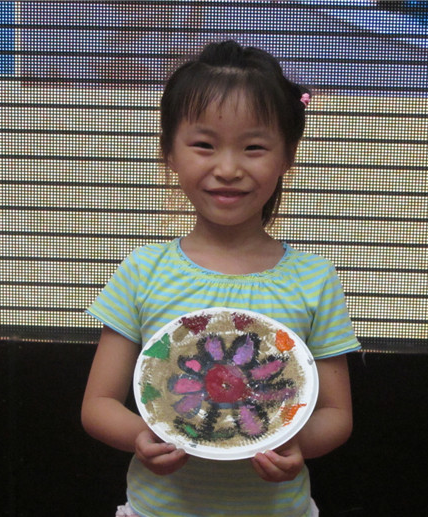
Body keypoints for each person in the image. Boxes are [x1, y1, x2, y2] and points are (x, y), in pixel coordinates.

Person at [81, 40, 361, 517]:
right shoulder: (143, 271)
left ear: (287, 156)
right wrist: (141, 437)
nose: (228, 169)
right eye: (204, 145)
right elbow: (98, 404)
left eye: (254, 148)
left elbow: (336, 415)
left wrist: (297, 445)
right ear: (169, 152)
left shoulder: (313, 279)